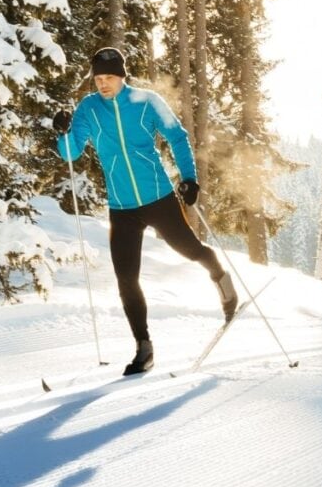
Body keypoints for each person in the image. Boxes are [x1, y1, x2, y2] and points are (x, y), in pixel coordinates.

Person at [53, 46, 238, 375]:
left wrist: (190, 179)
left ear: (122, 76)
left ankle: (219, 274)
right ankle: (144, 347)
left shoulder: (147, 101)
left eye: (109, 77)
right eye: (98, 78)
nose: (103, 84)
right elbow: (70, 153)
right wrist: (62, 132)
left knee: (190, 250)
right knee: (126, 279)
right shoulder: (88, 109)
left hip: (158, 198)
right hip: (121, 208)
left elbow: (177, 137)